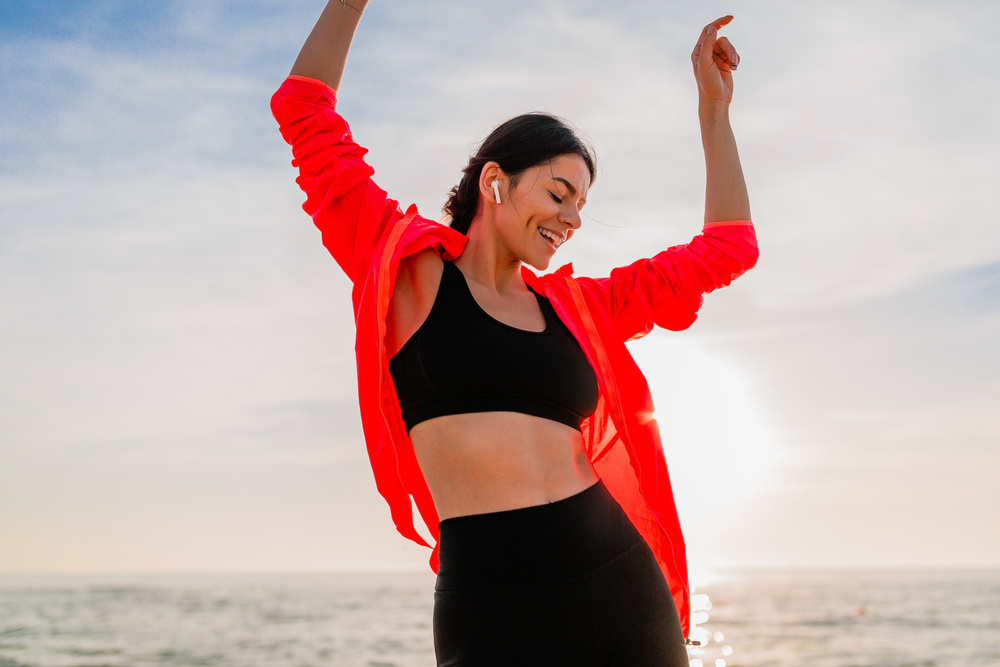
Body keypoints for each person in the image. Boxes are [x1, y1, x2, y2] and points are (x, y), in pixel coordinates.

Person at [271, 2, 757, 665]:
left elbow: (728, 247)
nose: (572, 219)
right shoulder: (405, 269)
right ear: (495, 182)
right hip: (488, 602)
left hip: (617, 586)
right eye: (558, 194)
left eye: (580, 204)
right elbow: (304, 112)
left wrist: (713, 110)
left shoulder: (580, 309)